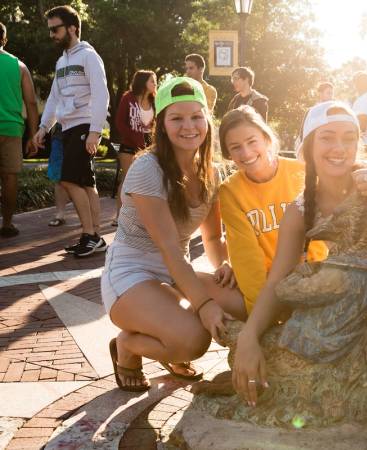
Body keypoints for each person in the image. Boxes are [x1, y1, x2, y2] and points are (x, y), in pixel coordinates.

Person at [230, 101, 367, 406]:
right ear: (309, 146)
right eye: (327, 137)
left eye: (348, 137)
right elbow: (278, 279)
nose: (339, 147)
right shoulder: (300, 209)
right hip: (365, 296)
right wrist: (248, 338)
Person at [101, 77, 234, 392]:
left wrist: (225, 267)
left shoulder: (211, 172)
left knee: (243, 300)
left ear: (207, 120)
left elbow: (213, 239)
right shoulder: (148, 169)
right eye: (177, 118)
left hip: (175, 271)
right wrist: (204, 305)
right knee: (192, 341)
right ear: (161, 124)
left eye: (196, 116)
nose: (189, 126)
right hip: (131, 272)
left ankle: (167, 335)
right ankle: (129, 347)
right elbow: (169, 249)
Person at [217, 105, 327, 318]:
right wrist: (263, 316)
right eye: (236, 147)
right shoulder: (230, 191)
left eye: (252, 142)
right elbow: (246, 259)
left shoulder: (302, 172)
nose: (246, 153)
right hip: (270, 286)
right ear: (228, 153)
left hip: (316, 277)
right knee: (203, 284)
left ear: (266, 138)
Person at [32, 5, 109, 257]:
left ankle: (90, 235)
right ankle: (94, 236)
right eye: (50, 30)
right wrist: (44, 127)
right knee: (86, 183)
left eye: (56, 29)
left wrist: (96, 131)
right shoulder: (62, 61)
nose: (52, 34)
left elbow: (101, 94)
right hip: (67, 128)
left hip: (84, 125)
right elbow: (54, 98)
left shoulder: (88, 56)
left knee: (68, 179)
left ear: (72, 28)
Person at [0, 21, 39, 238]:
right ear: (4, 40)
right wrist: (33, 134)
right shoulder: (19, 66)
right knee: (9, 178)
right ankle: (7, 224)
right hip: (11, 129)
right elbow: (31, 102)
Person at [113, 70, 157, 225]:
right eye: (152, 81)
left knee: (147, 181)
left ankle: (143, 217)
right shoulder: (128, 98)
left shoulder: (155, 101)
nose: (155, 84)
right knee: (126, 181)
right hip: (129, 146)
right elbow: (119, 123)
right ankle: (119, 216)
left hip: (149, 148)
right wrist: (135, 138)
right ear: (143, 82)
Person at [46, 124, 71, 227]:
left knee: (84, 178)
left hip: (82, 132)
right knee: (58, 177)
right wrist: (43, 128)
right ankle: (60, 215)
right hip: (59, 134)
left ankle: (89, 219)